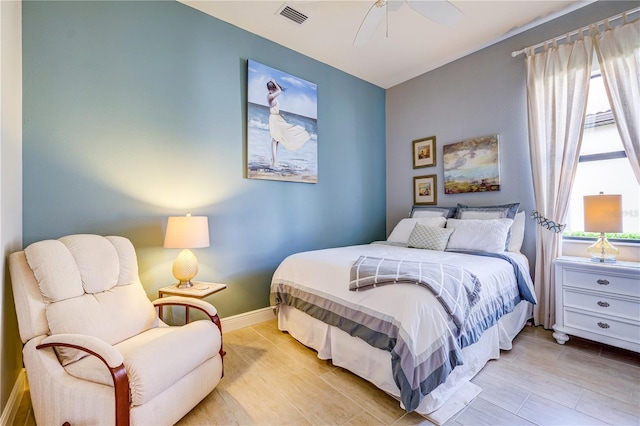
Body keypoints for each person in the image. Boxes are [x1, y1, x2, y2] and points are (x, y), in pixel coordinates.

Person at [267, 79, 310, 168]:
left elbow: (278, 91)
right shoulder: (270, 96)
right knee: (275, 139)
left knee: (277, 139)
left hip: (277, 118)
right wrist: (274, 81)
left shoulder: (272, 96)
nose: (274, 90)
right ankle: (274, 161)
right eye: (273, 88)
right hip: (274, 119)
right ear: (270, 89)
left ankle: (273, 160)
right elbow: (279, 90)